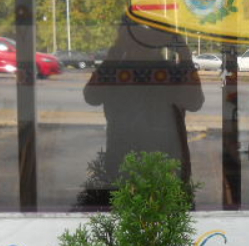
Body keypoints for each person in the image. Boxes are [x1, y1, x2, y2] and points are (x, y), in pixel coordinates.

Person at [83, 16, 204, 195]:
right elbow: (91, 96)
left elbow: (194, 102)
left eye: (147, 40)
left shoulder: (169, 73)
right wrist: (115, 52)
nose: (141, 46)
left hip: (162, 163)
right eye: (136, 39)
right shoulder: (116, 71)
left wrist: (183, 54)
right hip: (128, 162)